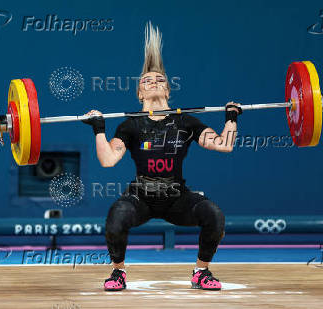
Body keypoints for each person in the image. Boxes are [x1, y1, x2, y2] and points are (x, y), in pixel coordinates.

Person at [82, 21, 242, 291]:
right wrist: (99, 129)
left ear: (168, 91)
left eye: (160, 80)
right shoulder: (130, 125)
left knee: (214, 215)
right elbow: (109, 160)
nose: (154, 82)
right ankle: (117, 273)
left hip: (176, 197)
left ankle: (201, 272)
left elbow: (224, 145)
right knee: (116, 217)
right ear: (140, 93)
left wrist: (231, 118)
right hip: (141, 196)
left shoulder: (187, 123)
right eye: (147, 80)